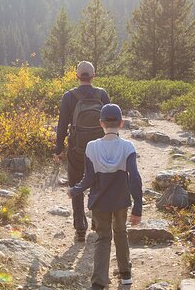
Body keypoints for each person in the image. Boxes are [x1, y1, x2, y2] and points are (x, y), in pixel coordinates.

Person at [68, 103, 142, 289]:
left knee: (103, 238)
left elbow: (88, 179)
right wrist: (137, 208)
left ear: (101, 123)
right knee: (120, 234)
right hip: (121, 202)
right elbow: (135, 179)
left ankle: (98, 283)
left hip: (100, 203)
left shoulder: (91, 147)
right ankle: (125, 275)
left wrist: (74, 190)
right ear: (121, 123)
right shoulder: (128, 147)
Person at [54, 60, 110, 242]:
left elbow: (62, 125)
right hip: (99, 148)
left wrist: (58, 149)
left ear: (77, 76)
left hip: (77, 149)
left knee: (76, 184)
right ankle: (96, 221)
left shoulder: (69, 96)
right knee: (98, 182)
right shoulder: (102, 94)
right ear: (93, 76)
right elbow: (111, 123)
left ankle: (80, 229)